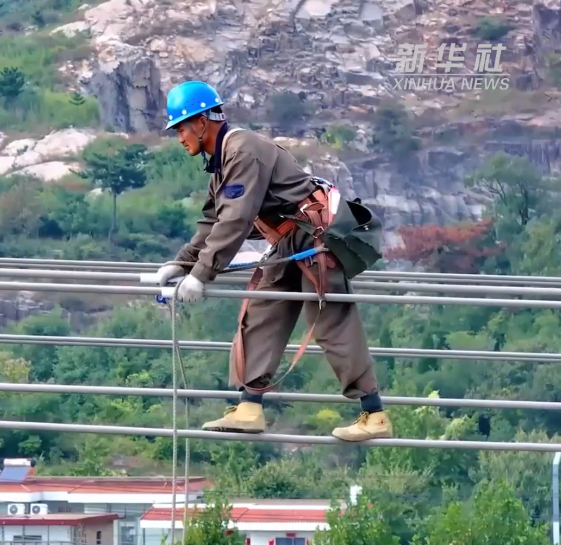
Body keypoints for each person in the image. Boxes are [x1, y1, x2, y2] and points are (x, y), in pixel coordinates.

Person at [155, 80, 393, 442]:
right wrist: (183, 264)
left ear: (203, 121)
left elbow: (235, 219)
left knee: (331, 322)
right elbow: (213, 220)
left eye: (182, 128)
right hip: (287, 239)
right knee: (261, 312)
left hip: (313, 239)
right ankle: (250, 407)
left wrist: (201, 274)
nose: (180, 137)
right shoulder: (222, 161)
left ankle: (374, 415)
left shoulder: (242, 151)